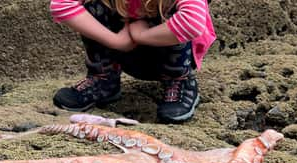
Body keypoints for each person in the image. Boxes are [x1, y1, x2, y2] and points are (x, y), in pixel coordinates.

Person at [49, 0, 216, 123]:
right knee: (93, 6)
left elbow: (192, 23)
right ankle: (103, 79)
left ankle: (180, 81)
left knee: (173, 12)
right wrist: (116, 41)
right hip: (124, 47)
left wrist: (142, 36)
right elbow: (62, 5)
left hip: (172, 55)